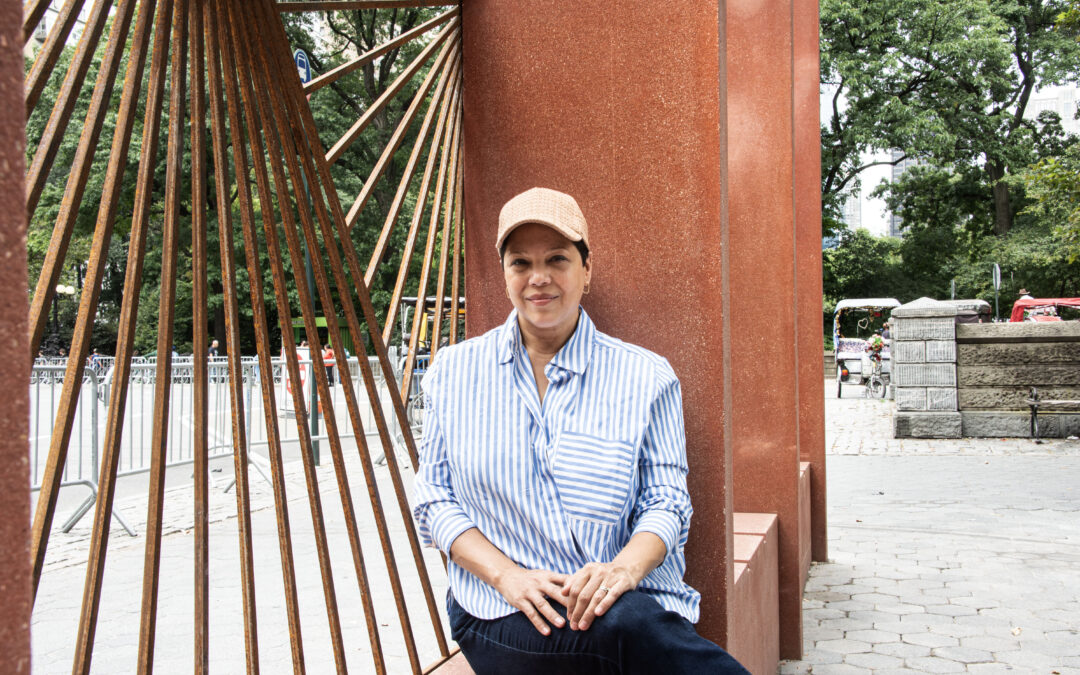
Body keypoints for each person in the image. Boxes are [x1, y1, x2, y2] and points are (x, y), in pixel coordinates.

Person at [413, 187, 748, 674]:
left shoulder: (646, 376)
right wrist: (508, 577)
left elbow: (667, 499)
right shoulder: (454, 372)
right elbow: (434, 498)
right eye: (520, 263)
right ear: (504, 274)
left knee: (622, 619)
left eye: (557, 259)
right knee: (626, 630)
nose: (539, 278)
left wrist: (622, 570)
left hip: (626, 602)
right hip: (501, 610)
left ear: (586, 271)